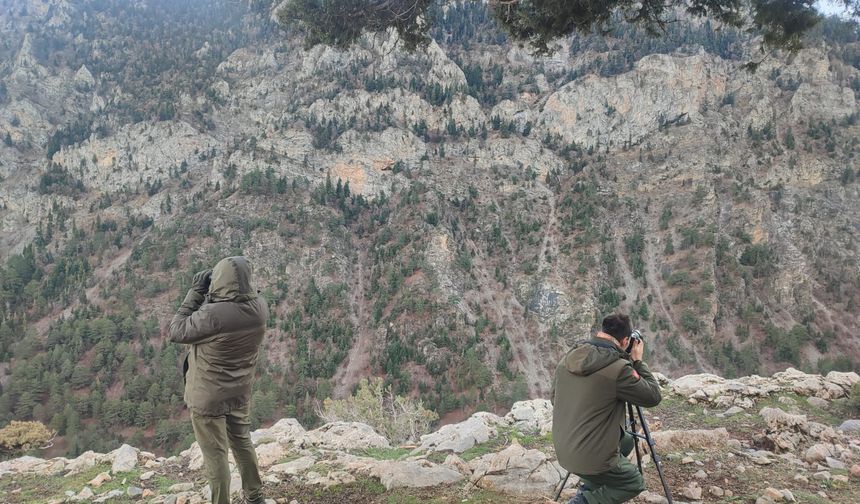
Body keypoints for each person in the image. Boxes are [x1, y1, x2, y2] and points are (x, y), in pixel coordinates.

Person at [169, 256, 268, 504]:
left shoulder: (213, 314)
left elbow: (177, 330)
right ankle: (255, 497)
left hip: (208, 396)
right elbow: (233, 307)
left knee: (216, 457)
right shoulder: (260, 308)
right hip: (239, 391)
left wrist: (196, 292)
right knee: (242, 443)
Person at [552, 314, 662, 504]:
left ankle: (590, 484)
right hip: (588, 456)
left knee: (626, 441)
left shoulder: (569, 358)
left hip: (564, 446)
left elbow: (555, 398)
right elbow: (653, 396)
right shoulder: (619, 369)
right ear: (626, 341)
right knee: (633, 483)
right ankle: (582, 501)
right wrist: (637, 362)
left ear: (601, 332)